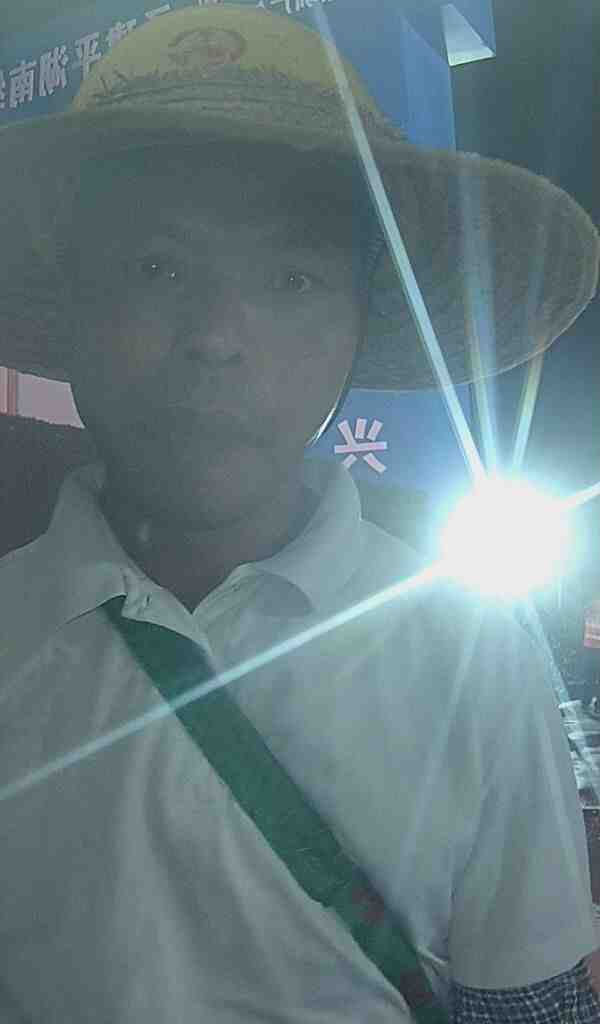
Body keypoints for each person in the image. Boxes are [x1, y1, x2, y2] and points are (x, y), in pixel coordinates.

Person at [0, 5, 599, 1022]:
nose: (217, 337)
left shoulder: (471, 653)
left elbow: (527, 1002)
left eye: (292, 277)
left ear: (360, 327)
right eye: (156, 267)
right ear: (74, 307)